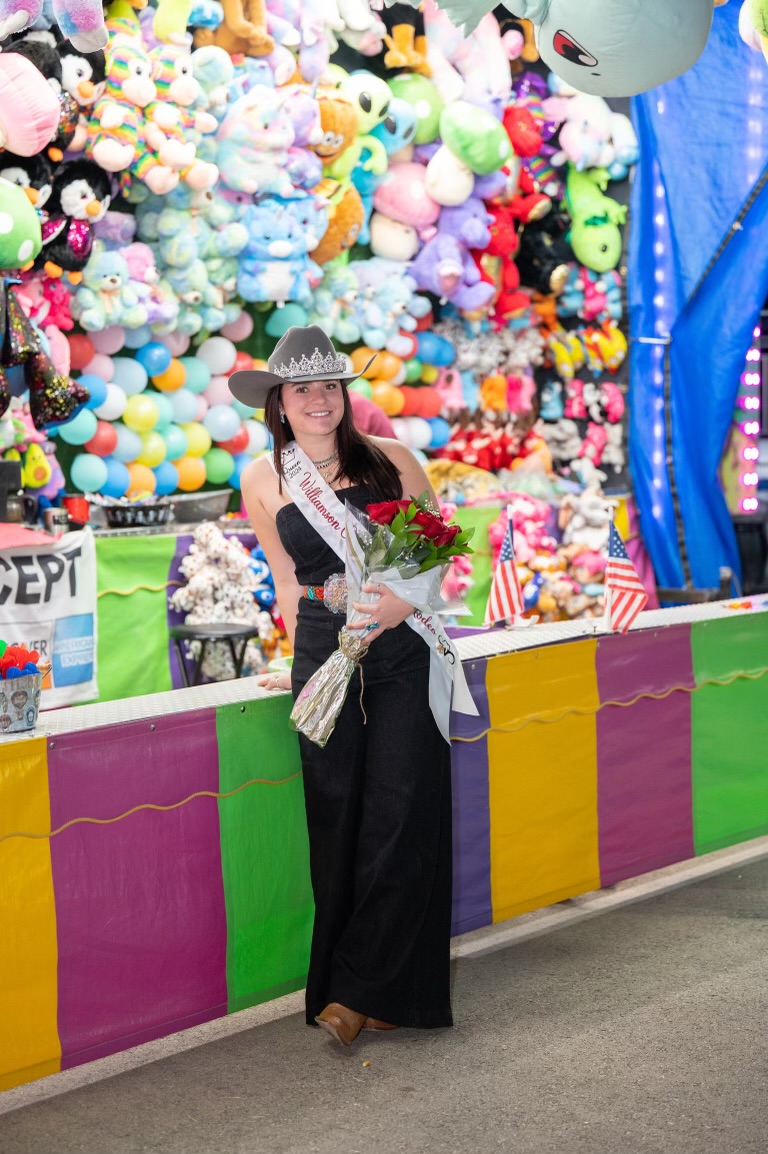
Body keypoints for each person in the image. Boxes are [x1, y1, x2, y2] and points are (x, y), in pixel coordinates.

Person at [232, 326, 453, 1047]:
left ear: (345, 395)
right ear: (281, 402)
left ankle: (363, 992)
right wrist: (296, 658)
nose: (319, 400)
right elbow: (287, 581)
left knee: (399, 809)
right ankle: (345, 982)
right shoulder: (264, 479)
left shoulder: (394, 461)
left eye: (330, 386)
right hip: (326, 655)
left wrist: (401, 602)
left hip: (400, 651)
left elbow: (433, 552)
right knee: (336, 815)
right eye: (304, 389)